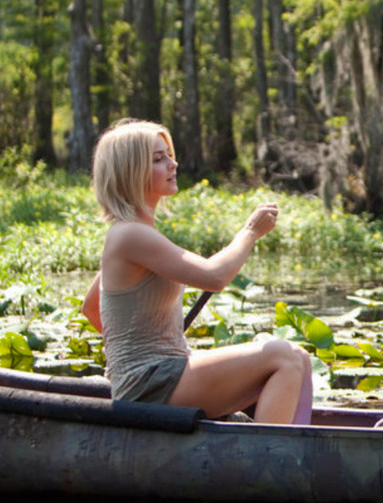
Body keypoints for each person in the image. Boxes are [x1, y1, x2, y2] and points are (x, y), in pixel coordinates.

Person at [81, 119, 313, 424]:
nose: (173, 164)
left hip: (162, 373)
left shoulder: (132, 233)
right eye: (159, 159)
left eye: (169, 155)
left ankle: (293, 453)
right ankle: (266, 462)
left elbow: (91, 307)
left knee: (301, 359)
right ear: (130, 171)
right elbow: (215, 276)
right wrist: (250, 231)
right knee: (285, 356)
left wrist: (144, 348)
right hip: (148, 385)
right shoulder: (130, 235)